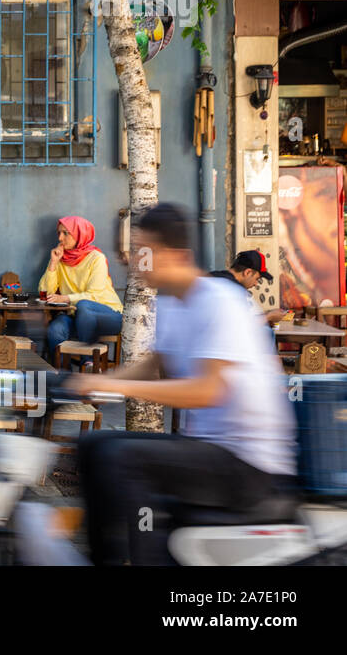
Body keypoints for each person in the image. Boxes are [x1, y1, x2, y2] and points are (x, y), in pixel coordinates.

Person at [71, 203, 298, 566]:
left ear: (177, 255)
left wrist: (120, 389)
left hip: (248, 464)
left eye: (145, 252)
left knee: (121, 459)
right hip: (210, 449)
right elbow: (153, 365)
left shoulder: (220, 301)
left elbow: (206, 391)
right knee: (94, 446)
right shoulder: (172, 303)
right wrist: (89, 382)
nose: (134, 260)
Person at [38, 216, 123, 358]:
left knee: (84, 305)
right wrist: (53, 263)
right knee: (55, 330)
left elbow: (95, 295)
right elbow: (44, 293)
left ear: (80, 234)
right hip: (76, 316)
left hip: (109, 316)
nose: (60, 238)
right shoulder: (60, 257)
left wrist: (65, 298)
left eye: (65, 233)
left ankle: (87, 363)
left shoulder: (96, 258)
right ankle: (64, 375)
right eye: (59, 233)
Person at [212, 250, 285, 327]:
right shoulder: (233, 290)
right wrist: (269, 316)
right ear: (247, 272)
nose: (256, 284)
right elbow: (241, 326)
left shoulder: (213, 276)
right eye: (257, 279)